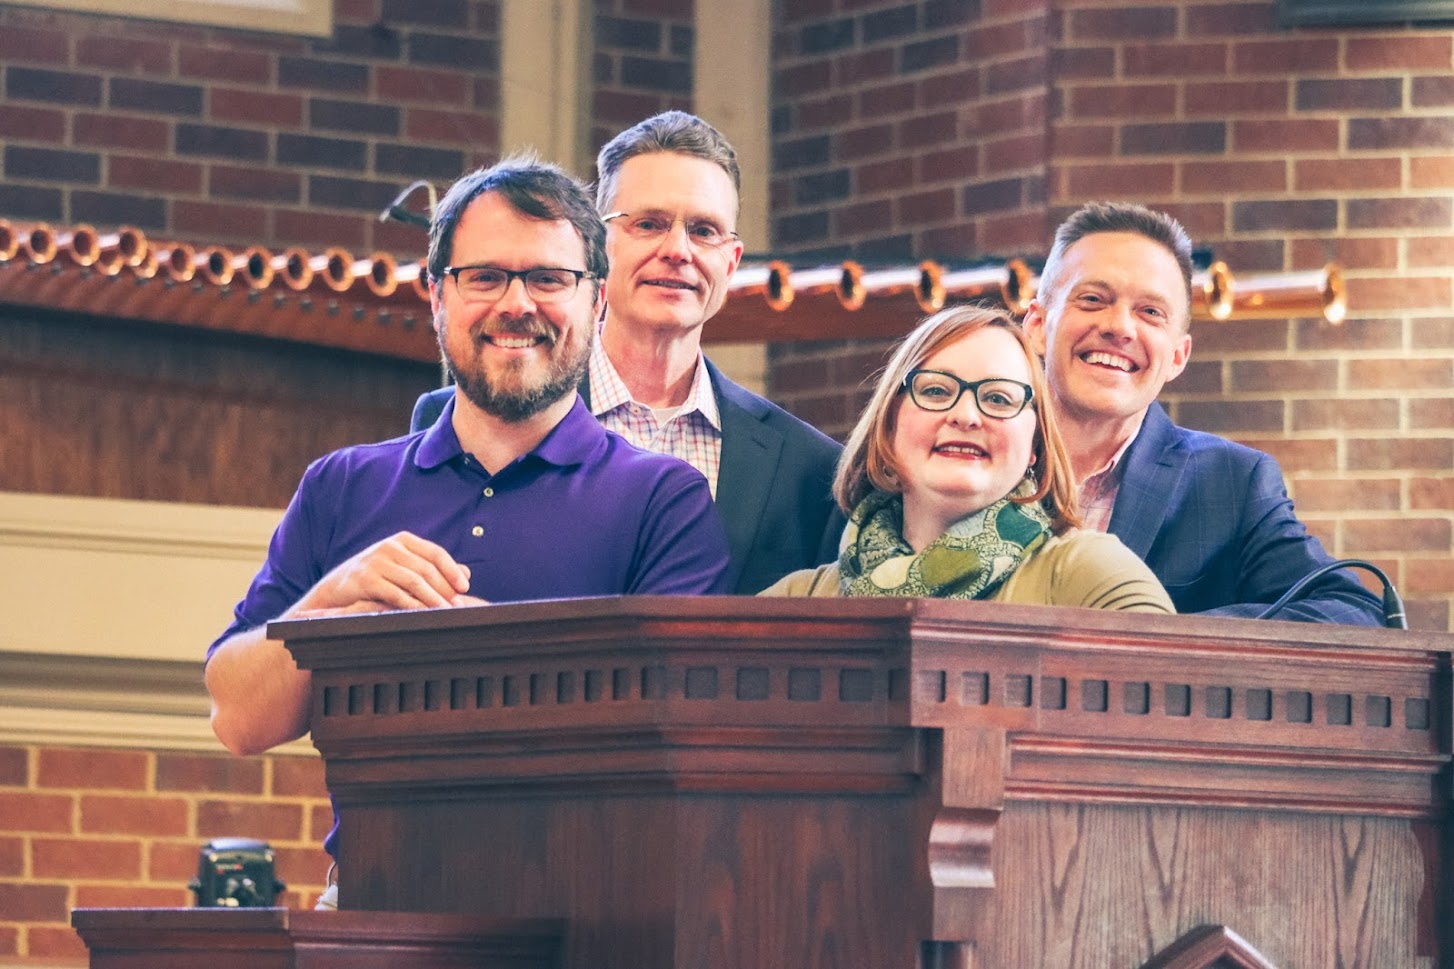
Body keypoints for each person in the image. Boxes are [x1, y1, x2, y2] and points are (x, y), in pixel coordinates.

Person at [205, 158, 731, 879]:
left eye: (548, 278)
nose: (516, 303)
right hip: (372, 903)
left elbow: (672, 741)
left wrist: (472, 647)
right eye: (484, 277)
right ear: (436, 295)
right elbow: (237, 718)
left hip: (584, 917)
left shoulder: (663, 501)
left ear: (597, 299)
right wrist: (336, 600)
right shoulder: (343, 486)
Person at [412, 112, 842, 594]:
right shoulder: (461, 419)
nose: (678, 250)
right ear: (596, 247)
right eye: (648, 224)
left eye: (703, 231)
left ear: (731, 260)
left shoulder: (810, 470)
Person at [1021, 201, 1384, 625]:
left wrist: (1172, 637)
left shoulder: (1232, 482)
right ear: (1035, 325)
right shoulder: (972, 448)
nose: (1119, 327)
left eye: (1150, 312)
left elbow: (1354, 612)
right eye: (1093, 299)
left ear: (1178, 356)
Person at [762, 304, 1173, 613]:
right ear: (888, 425)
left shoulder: (1087, 573)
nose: (966, 416)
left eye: (998, 399)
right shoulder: (801, 598)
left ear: (1035, 444)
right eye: (937, 391)